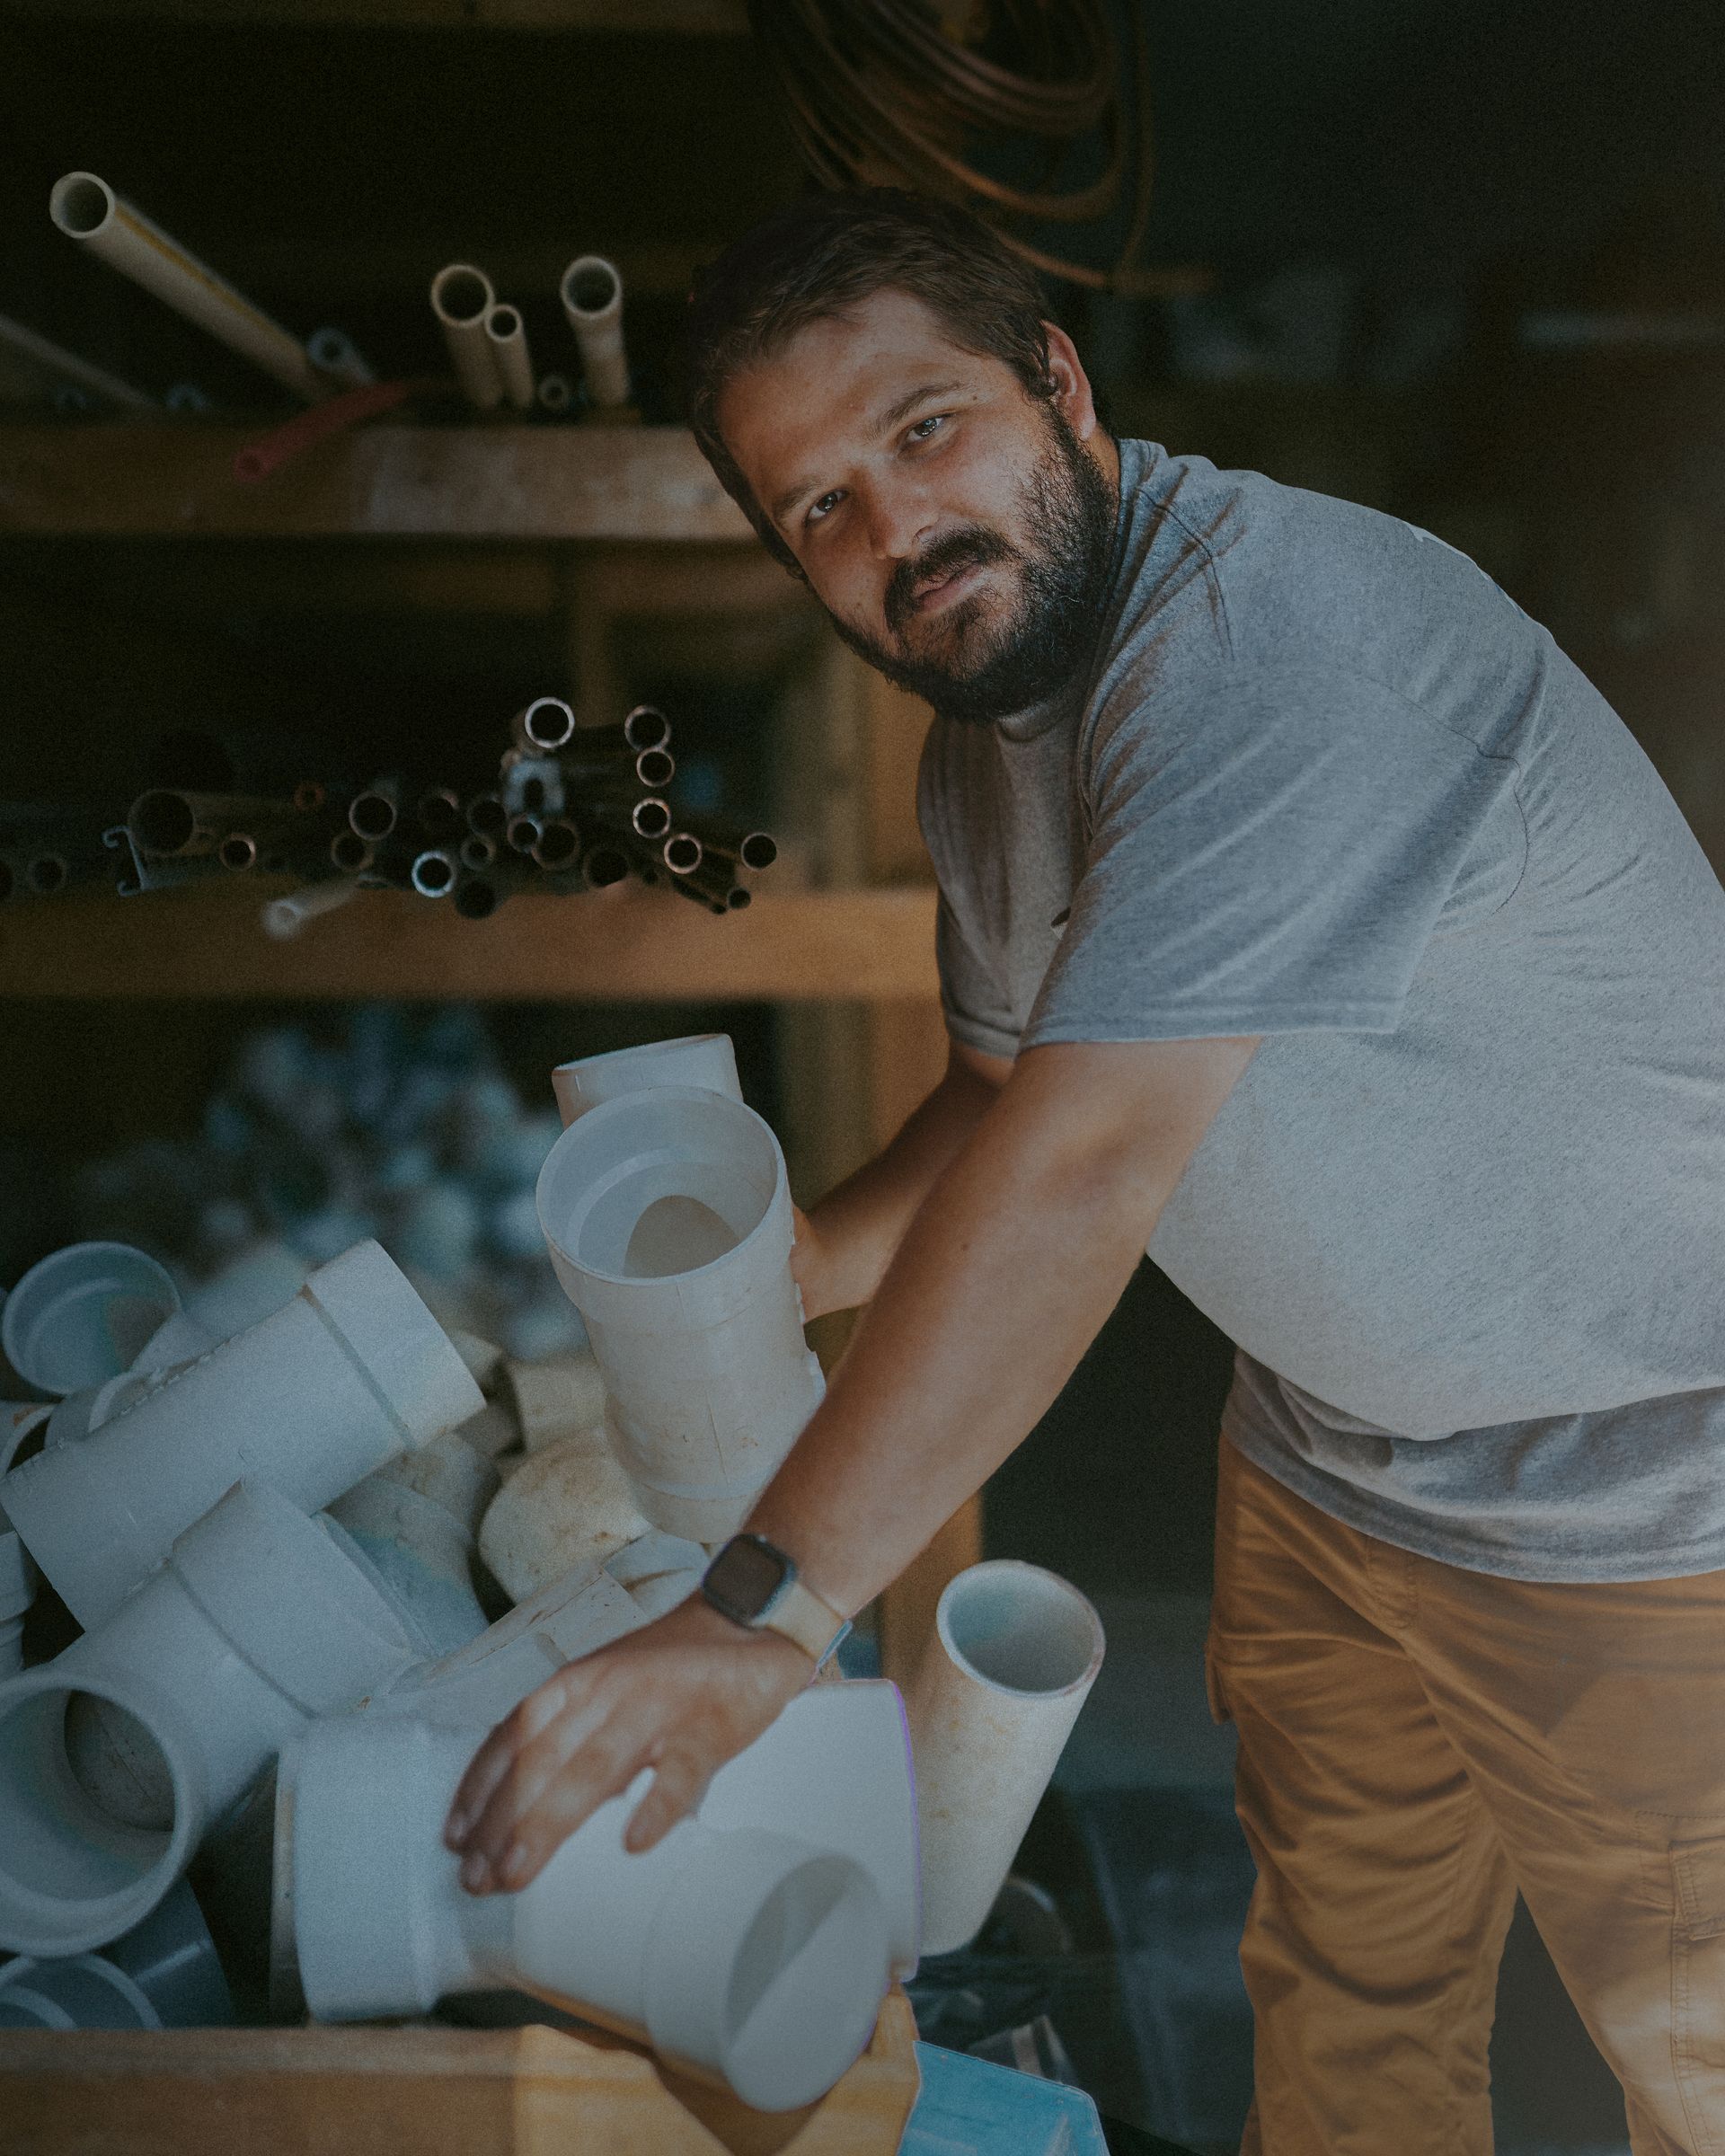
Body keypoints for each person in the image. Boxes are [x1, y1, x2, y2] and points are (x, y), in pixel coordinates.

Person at [446, 189, 1725, 2153]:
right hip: (1337, 1468)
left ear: (1060, 380)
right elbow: (1002, 1088)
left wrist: (759, 1618)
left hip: (1643, 1503)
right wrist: (791, 1269)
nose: (896, 534)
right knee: (1345, 2016)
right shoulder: (990, 734)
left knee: (1690, 2054)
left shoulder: (1262, 657)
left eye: (925, 430)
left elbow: (1082, 1166)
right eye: (818, 510)